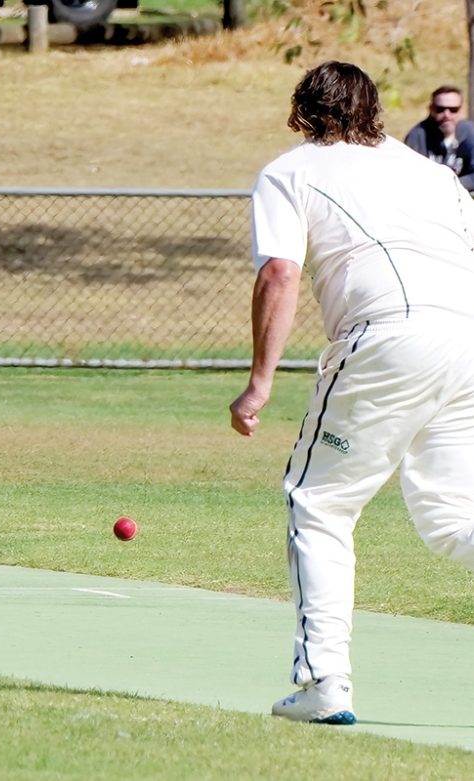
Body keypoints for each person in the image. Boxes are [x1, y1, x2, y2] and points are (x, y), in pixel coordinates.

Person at [230, 61, 474, 725]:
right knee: (455, 521)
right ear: (375, 110)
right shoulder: (435, 174)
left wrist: (258, 384)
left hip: (389, 337)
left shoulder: (292, 170)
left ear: (303, 113)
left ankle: (323, 683)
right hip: (466, 341)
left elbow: (279, 273)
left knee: (319, 501)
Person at [402, 85, 474, 192]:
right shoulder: (417, 136)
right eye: (440, 109)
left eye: (453, 109)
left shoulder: (470, 132)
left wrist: (451, 186)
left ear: (462, 110)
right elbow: (408, 178)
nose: (447, 115)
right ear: (431, 109)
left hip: (463, 195)